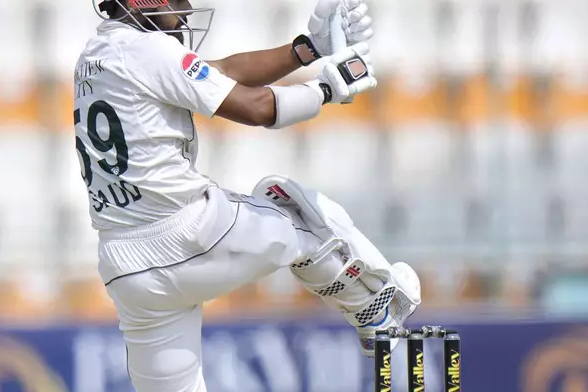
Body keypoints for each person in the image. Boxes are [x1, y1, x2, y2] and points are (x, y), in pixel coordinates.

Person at [74, 0, 421, 391]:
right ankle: (376, 311)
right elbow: (256, 108)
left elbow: (222, 73)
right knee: (288, 206)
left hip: (126, 268)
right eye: (178, 0)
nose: (187, 10)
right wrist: (325, 88)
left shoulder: (96, 54)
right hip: (188, 233)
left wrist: (306, 49)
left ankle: (373, 311)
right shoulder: (147, 50)